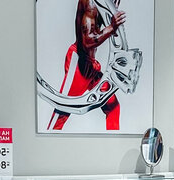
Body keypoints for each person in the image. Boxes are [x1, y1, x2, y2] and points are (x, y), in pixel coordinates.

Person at [47, 0, 125, 131]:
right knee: (61, 113)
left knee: (113, 107)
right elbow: (87, 42)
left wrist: (111, 17)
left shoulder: (102, 3)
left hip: (92, 65)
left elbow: (101, 27)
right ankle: (46, 142)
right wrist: (111, 27)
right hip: (79, 64)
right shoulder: (90, 3)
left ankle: (111, 142)